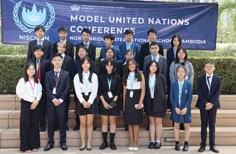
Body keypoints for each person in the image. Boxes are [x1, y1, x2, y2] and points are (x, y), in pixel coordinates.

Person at [44, 54, 70, 151]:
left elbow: (67, 88)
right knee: (50, 123)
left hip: (62, 102)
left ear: (62, 62)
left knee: (62, 122)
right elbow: (47, 88)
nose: (57, 62)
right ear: (52, 62)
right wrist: (54, 99)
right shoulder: (47, 74)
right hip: (51, 102)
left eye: (59, 60)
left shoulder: (66, 74)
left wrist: (60, 99)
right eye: (55, 60)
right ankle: (50, 142)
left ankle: (63, 142)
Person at [16, 62, 42, 152]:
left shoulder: (37, 80)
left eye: (33, 69)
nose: (31, 71)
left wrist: (37, 101)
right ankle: (26, 146)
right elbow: (20, 93)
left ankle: (35, 145)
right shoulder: (22, 80)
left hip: (36, 104)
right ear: (26, 70)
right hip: (26, 104)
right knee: (26, 124)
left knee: (34, 124)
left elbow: (40, 91)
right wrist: (32, 100)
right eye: (30, 69)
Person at [73, 57, 98, 151]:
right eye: (84, 63)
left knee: (90, 123)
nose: (86, 65)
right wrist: (83, 101)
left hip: (91, 99)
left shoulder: (94, 76)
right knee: (82, 124)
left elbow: (95, 90)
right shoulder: (77, 76)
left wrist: (90, 101)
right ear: (81, 65)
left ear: (90, 65)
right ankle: (83, 143)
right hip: (81, 100)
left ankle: (89, 144)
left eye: (87, 63)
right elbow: (77, 90)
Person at [196, 61, 221, 153]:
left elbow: (217, 93)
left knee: (212, 125)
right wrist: (206, 103)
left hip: (213, 105)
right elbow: (199, 92)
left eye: (211, 66)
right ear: (204, 68)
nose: (209, 68)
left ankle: (212, 145)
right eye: (207, 66)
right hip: (203, 105)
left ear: (214, 68)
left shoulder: (218, 79)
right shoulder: (200, 78)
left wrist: (211, 103)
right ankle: (202, 145)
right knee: (203, 125)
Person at [98, 59, 121, 150]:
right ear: (105, 66)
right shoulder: (101, 77)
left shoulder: (117, 77)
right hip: (103, 101)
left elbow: (118, 92)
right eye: (107, 65)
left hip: (114, 102)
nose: (109, 67)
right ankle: (105, 142)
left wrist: (113, 102)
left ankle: (112, 142)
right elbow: (99, 91)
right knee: (104, 122)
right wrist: (104, 102)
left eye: (111, 65)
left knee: (112, 122)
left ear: (113, 66)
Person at [123, 59, 145, 151]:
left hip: (137, 98)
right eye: (129, 64)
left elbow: (143, 91)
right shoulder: (125, 76)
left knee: (136, 123)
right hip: (128, 100)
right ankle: (131, 142)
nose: (131, 66)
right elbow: (124, 91)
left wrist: (140, 102)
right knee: (129, 122)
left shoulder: (140, 75)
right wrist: (124, 105)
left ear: (136, 65)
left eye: (133, 64)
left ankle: (136, 142)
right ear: (127, 67)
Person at [72, 47, 96, 131]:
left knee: (91, 112)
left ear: (87, 52)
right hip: (79, 89)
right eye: (79, 51)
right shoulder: (75, 63)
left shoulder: (92, 63)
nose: (81, 52)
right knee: (78, 107)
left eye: (83, 51)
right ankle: (78, 123)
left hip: (90, 92)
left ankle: (92, 124)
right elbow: (73, 74)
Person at [144, 61, 166, 149]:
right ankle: (152, 141)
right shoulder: (145, 77)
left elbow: (164, 90)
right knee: (152, 122)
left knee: (158, 122)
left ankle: (158, 141)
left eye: (155, 66)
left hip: (159, 102)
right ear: (148, 67)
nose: (153, 67)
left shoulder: (161, 77)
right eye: (151, 66)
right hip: (149, 101)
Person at [170, 66, 192, 152]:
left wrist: (186, 107)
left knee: (187, 126)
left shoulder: (189, 84)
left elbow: (189, 97)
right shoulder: (173, 83)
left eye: (182, 71)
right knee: (176, 126)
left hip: (186, 109)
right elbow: (171, 97)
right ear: (176, 73)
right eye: (178, 71)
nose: (180, 73)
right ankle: (177, 143)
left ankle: (186, 144)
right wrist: (175, 107)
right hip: (176, 109)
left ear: (185, 73)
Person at [28, 45, 50, 132]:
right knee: (32, 106)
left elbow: (48, 76)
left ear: (43, 53)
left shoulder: (46, 62)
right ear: (33, 52)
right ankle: (33, 124)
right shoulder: (30, 62)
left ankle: (42, 124)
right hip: (32, 88)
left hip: (43, 88)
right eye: (36, 51)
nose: (38, 52)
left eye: (40, 51)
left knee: (42, 107)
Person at [57, 42, 72, 130]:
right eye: (59, 47)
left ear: (65, 49)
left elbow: (70, 73)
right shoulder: (54, 58)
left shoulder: (69, 59)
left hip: (65, 86)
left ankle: (64, 124)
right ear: (57, 48)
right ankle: (56, 124)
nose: (61, 48)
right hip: (56, 85)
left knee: (65, 105)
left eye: (63, 47)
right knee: (55, 106)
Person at [166, 34, 182, 110]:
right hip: (171, 72)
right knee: (171, 89)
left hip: (181, 73)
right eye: (174, 40)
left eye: (177, 40)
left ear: (179, 41)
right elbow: (168, 63)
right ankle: (170, 105)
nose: (176, 42)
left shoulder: (182, 50)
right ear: (172, 41)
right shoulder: (169, 51)